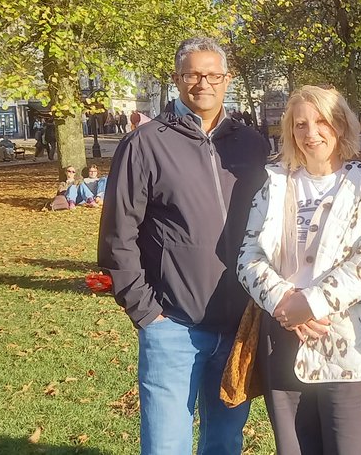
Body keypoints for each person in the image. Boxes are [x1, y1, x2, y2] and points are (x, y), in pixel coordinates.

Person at [98, 37, 270, 455]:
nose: (203, 83)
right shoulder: (145, 144)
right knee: (165, 445)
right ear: (177, 79)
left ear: (227, 79)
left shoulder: (252, 145)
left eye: (213, 74)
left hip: (238, 324)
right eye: (192, 74)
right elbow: (118, 235)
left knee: (224, 442)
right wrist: (147, 311)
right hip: (172, 325)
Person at [237, 85, 361, 455]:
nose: (311, 133)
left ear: (340, 125)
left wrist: (310, 304)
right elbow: (248, 256)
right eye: (300, 124)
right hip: (285, 342)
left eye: (321, 121)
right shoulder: (275, 185)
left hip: (354, 348)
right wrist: (284, 301)